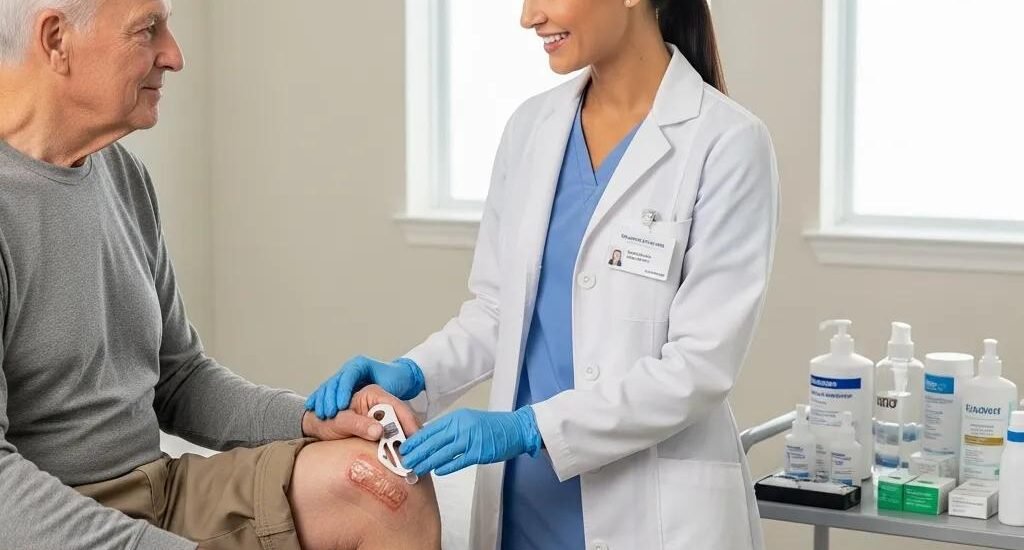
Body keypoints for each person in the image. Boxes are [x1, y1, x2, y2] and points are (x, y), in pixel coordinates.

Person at [307, 0, 779, 548]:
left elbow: (699, 367)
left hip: (653, 513)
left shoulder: (727, 142)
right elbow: (497, 311)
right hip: (524, 508)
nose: (529, 17)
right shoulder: (532, 127)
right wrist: (414, 372)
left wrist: (530, 428)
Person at [0, 1, 440, 549]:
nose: (175, 55)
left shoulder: (123, 176)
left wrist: (309, 421)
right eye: (147, 31)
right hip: (49, 516)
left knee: (387, 483)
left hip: (161, 490)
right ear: (56, 39)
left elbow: (179, 379)